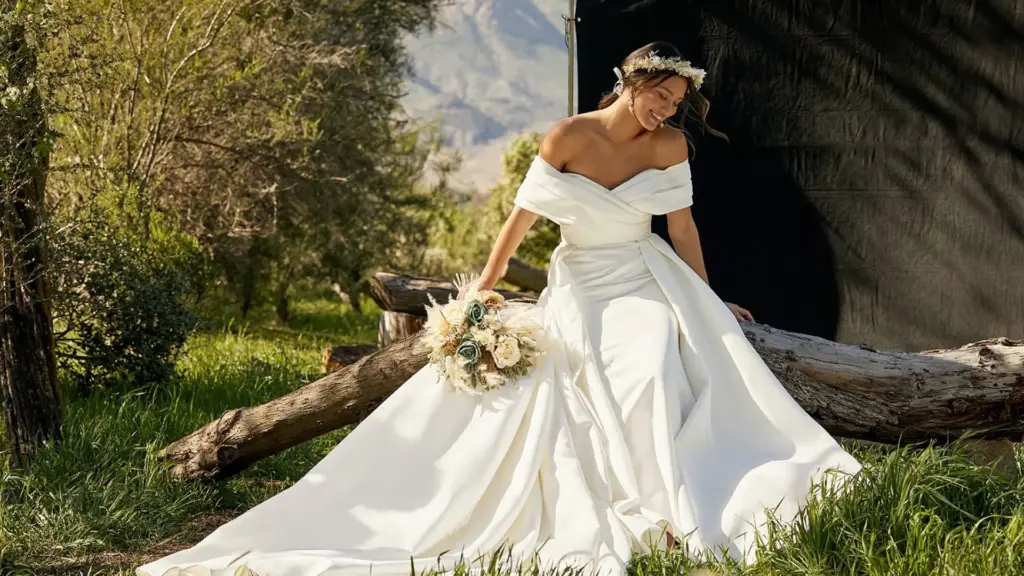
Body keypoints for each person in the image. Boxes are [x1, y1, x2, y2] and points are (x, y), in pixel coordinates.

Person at [139, 41, 861, 576]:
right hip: (582, 278)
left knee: (647, 360)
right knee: (593, 361)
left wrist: (705, 297)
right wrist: (483, 286)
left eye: (676, 102)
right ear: (632, 82)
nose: (668, 110)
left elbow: (683, 229)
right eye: (661, 96)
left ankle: (672, 507)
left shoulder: (671, 145)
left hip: (644, 274)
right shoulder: (568, 135)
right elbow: (522, 219)